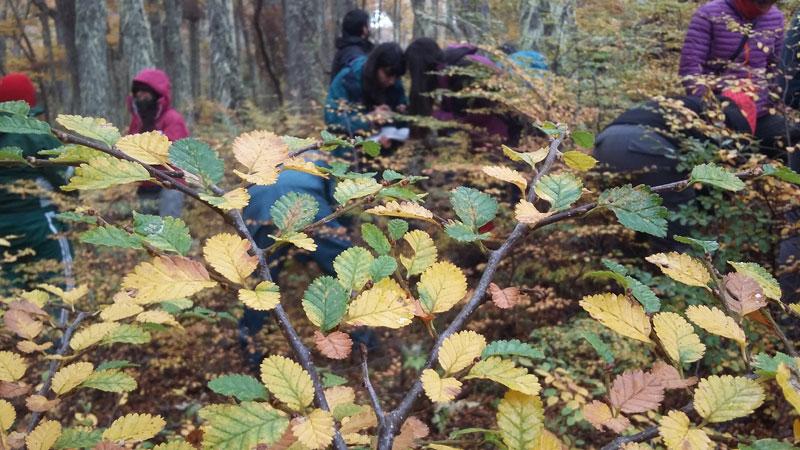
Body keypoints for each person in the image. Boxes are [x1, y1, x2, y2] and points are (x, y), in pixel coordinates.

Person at [239, 158, 377, 365]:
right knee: (347, 270)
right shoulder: (319, 164)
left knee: (260, 286)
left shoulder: (261, 168)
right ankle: (365, 339)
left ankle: (250, 345)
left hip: (261, 216)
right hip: (307, 208)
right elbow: (338, 204)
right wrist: (342, 233)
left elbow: (244, 218)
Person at [593, 95, 754, 237]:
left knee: (623, 217)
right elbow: (733, 155)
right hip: (644, 147)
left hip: (602, 146)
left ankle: (627, 257)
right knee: (677, 228)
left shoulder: (684, 102)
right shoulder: (728, 113)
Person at [679, 0, 799, 172]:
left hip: (760, 113)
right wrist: (710, 107)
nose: (764, 9)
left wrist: (773, 101)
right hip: (721, 113)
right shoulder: (709, 14)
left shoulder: (775, 17)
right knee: (725, 159)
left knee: (793, 136)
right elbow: (690, 70)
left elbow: (776, 67)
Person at [0, 73, 72, 292]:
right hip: (42, 227)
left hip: (3, 231)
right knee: (55, 290)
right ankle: (59, 327)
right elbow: (67, 178)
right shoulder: (36, 134)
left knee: (10, 296)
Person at [404, 38, 517, 144]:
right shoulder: (448, 68)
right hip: (495, 132)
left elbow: (474, 118)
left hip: (504, 138)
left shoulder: (463, 71)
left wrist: (435, 117)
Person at [126, 68, 189, 217]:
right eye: (137, 92)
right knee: (148, 232)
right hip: (146, 184)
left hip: (170, 184)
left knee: (167, 231)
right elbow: (128, 146)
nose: (140, 96)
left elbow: (173, 150)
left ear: (156, 94)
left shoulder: (172, 119)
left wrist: (143, 150)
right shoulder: (137, 121)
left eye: (145, 91)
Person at [324, 42, 408, 139]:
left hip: (386, 144)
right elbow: (333, 121)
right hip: (350, 146)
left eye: (396, 76)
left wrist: (398, 113)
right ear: (376, 66)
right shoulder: (347, 79)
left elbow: (404, 113)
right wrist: (370, 118)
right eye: (388, 74)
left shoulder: (395, 83)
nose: (392, 81)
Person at [330, 9, 374, 83]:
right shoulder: (353, 54)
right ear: (363, 29)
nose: (370, 28)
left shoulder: (345, 50)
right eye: (368, 25)